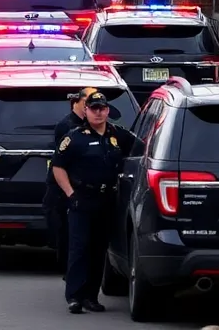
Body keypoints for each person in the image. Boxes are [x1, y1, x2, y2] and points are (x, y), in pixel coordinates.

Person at [51, 91, 137, 314]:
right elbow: (58, 167)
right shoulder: (74, 137)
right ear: (85, 111)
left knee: (99, 249)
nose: (98, 113)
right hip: (82, 199)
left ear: (107, 111)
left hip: (107, 200)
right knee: (79, 248)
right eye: (93, 109)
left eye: (102, 108)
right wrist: (70, 194)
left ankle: (91, 296)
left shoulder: (119, 135)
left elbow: (140, 151)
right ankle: (75, 297)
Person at [45, 87, 100, 274]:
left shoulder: (95, 126)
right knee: (66, 235)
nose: (92, 108)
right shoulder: (68, 126)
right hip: (64, 190)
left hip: (87, 191)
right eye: (88, 103)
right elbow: (63, 163)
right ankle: (69, 275)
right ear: (77, 102)